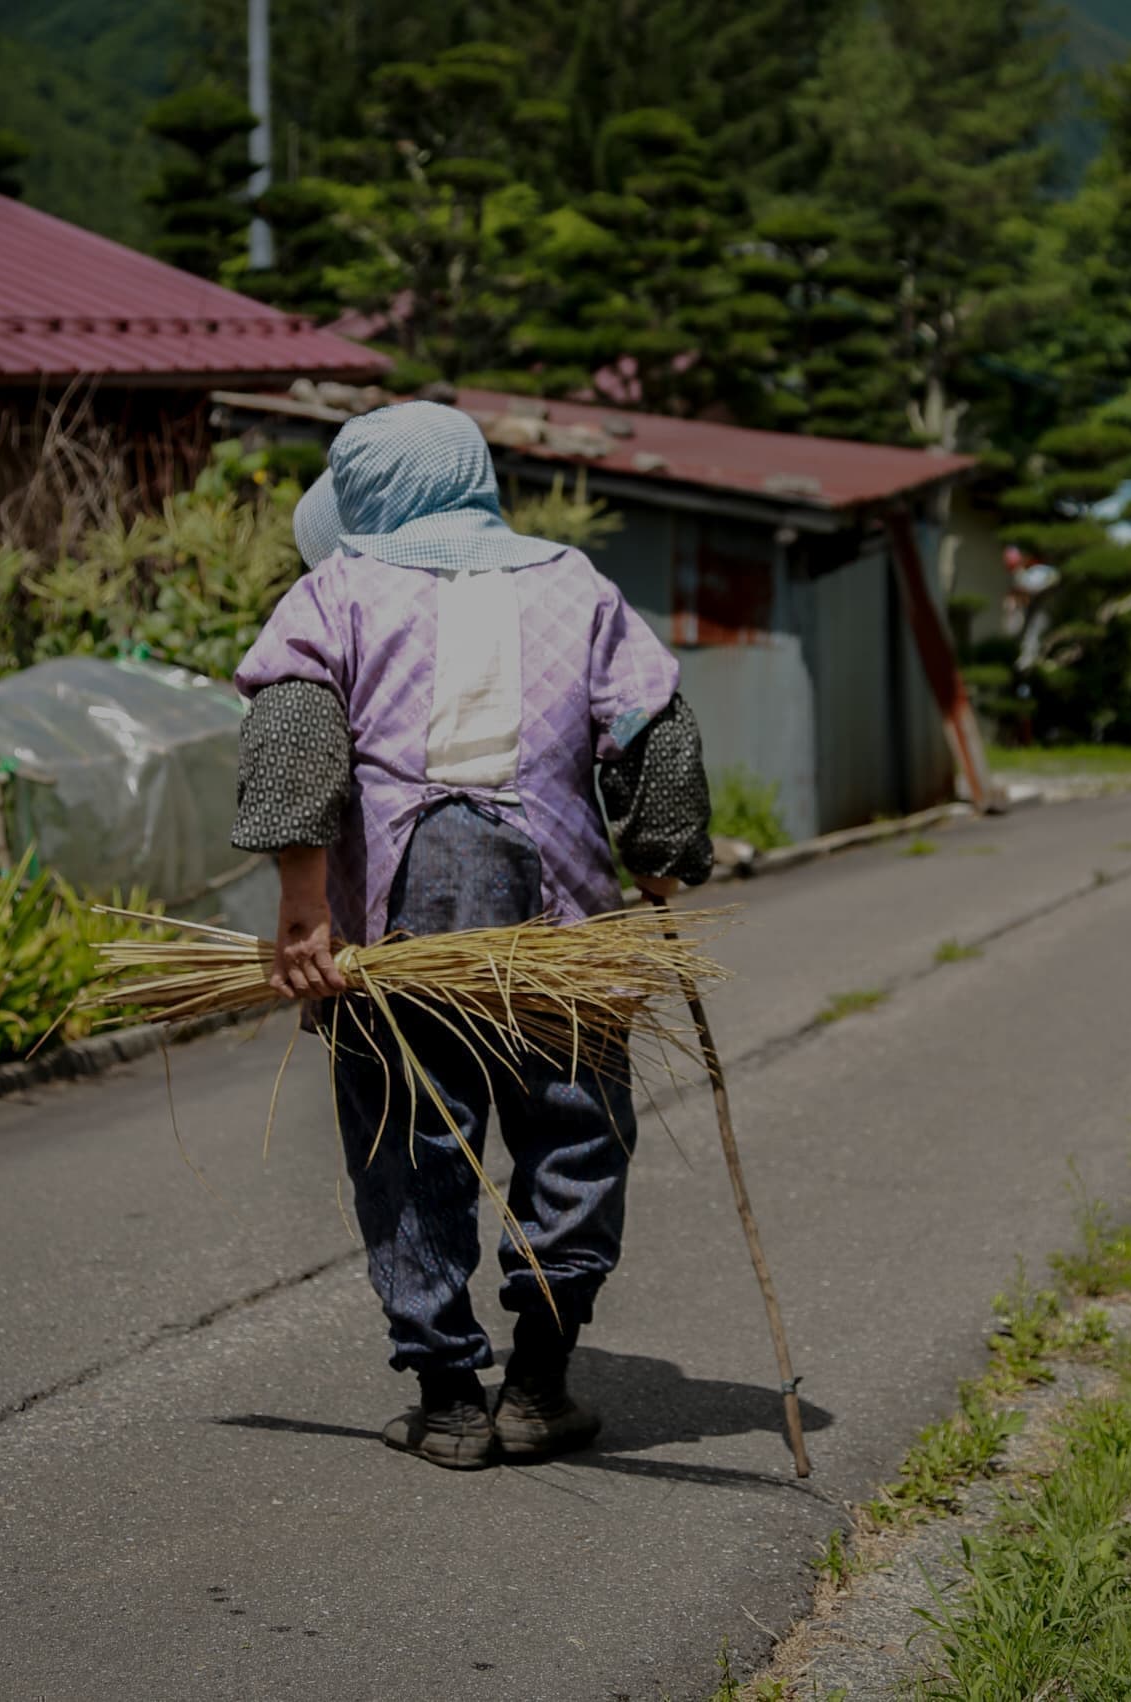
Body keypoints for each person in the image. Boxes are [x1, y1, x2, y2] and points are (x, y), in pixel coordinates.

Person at [231, 402, 713, 1469]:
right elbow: (655, 729)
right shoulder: (574, 584)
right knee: (573, 1128)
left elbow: (295, 731)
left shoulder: (339, 590)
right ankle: (537, 1380)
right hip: (562, 923)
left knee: (410, 1139)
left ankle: (450, 1396)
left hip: (398, 932)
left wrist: (303, 908)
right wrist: (659, 856)